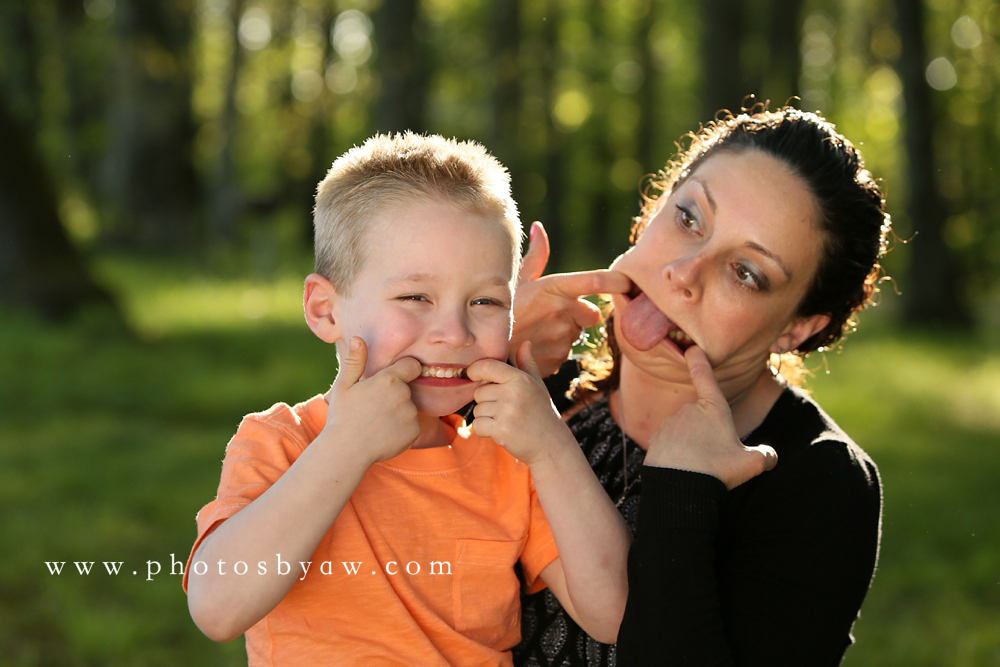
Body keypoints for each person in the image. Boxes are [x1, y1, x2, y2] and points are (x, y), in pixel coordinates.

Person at [183, 132, 631, 666]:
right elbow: (217, 608)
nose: (453, 331)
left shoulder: (509, 461)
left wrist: (552, 444)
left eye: (485, 300)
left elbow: (615, 614)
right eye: (416, 297)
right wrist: (345, 448)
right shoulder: (282, 443)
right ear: (325, 310)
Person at [511, 106, 888, 666]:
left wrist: (681, 494)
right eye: (689, 217)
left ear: (796, 327)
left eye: (746, 273)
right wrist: (466, 354)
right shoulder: (538, 378)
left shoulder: (819, 482)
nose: (683, 274)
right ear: (653, 209)